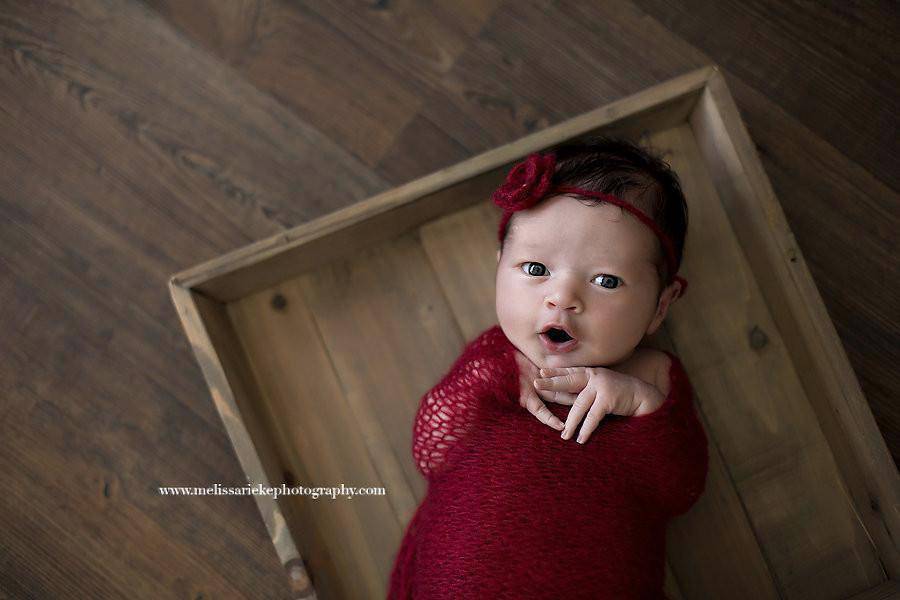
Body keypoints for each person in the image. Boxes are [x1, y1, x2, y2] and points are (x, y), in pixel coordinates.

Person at [387, 135, 709, 599]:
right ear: (500, 266)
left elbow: (680, 490)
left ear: (661, 305)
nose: (562, 298)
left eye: (605, 280)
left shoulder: (650, 378)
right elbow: (432, 452)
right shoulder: (496, 355)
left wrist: (642, 406)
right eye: (536, 269)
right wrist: (489, 378)